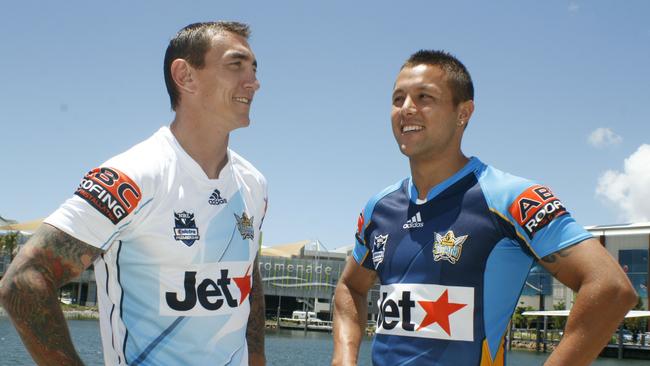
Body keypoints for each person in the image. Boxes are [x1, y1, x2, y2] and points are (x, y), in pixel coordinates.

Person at [332, 50, 637, 366]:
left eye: (424, 97)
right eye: (398, 99)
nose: (407, 108)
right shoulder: (378, 208)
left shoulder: (509, 198)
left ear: (463, 112)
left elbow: (611, 289)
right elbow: (350, 287)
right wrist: (343, 358)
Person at [0, 21, 267, 366]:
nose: (254, 82)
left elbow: (249, 278)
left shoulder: (254, 184)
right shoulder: (132, 177)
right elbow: (23, 281)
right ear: (185, 76)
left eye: (254, 69)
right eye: (236, 65)